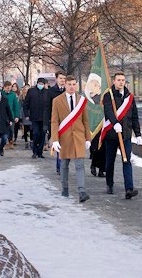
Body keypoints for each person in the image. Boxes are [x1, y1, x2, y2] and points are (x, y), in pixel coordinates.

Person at [50, 75, 92, 203]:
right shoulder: (57, 101)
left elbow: (85, 121)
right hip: (64, 137)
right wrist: (55, 139)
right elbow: (55, 122)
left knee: (80, 165)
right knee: (64, 164)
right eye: (70, 84)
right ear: (65, 85)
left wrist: (88, 138)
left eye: (74, 84)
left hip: (79, 137)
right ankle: (65, 188)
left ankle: (82, 191)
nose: (72, 87)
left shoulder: (82, 100)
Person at [102, 71, 142, 199]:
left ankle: (129, 188)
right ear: (114, 81)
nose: (121, 82)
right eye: (118, 80)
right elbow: (108, 111)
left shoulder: (129, 97)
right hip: (112, 135)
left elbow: (134, 116)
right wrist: (115, 123)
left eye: (123, 80)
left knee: (127, 160)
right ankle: (109, 183)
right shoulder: (109, 95)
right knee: (110, 161)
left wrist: (138, 134)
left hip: (125, 134)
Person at [47, 72, 66, 174]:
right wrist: (48, 121)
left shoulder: (68, 90)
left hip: (67, 121)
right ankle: (60, 166)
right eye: (61, 78)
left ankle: (63, 165)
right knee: (58, 143)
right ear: (56, 79)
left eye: (64, 78)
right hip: (56, 121)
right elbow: (47, 107)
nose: (63, 80)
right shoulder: (51, 91)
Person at [26, 77, 48, 158]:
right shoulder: (31, 91)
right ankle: (34, 151)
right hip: (34, 117)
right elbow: (26, 103)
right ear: (37, 84)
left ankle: (40, 152)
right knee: (36, 134)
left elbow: (49, 105)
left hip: (44, 118)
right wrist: (26, 114)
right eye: (39, 84)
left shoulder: (47, 92)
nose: (41, 85)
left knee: (42, 134)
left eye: (42, 84)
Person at [8, 82, 22, 147]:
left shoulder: (19, 95)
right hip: (11, 113)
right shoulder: (10, 94)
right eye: (13, 86)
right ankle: (11, 140)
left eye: (15, 86)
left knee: (16, 127)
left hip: (18, 112)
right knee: (11, 128)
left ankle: (15, 138)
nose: (14, 88)